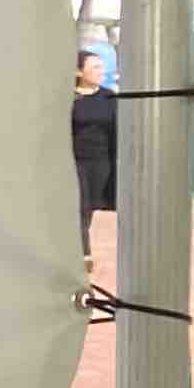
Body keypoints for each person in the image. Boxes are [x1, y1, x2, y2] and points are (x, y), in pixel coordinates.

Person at [74, 49, 120, 263]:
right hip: (75, 162)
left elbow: (117, 131)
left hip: (102, 162)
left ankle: (79, 248)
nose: (101, 71)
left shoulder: (109, 97)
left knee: (90, 208)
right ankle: (84, 255)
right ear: (79, 71)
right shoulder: (69, 98)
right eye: (95, 67)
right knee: (81, 207)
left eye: (101, 67)